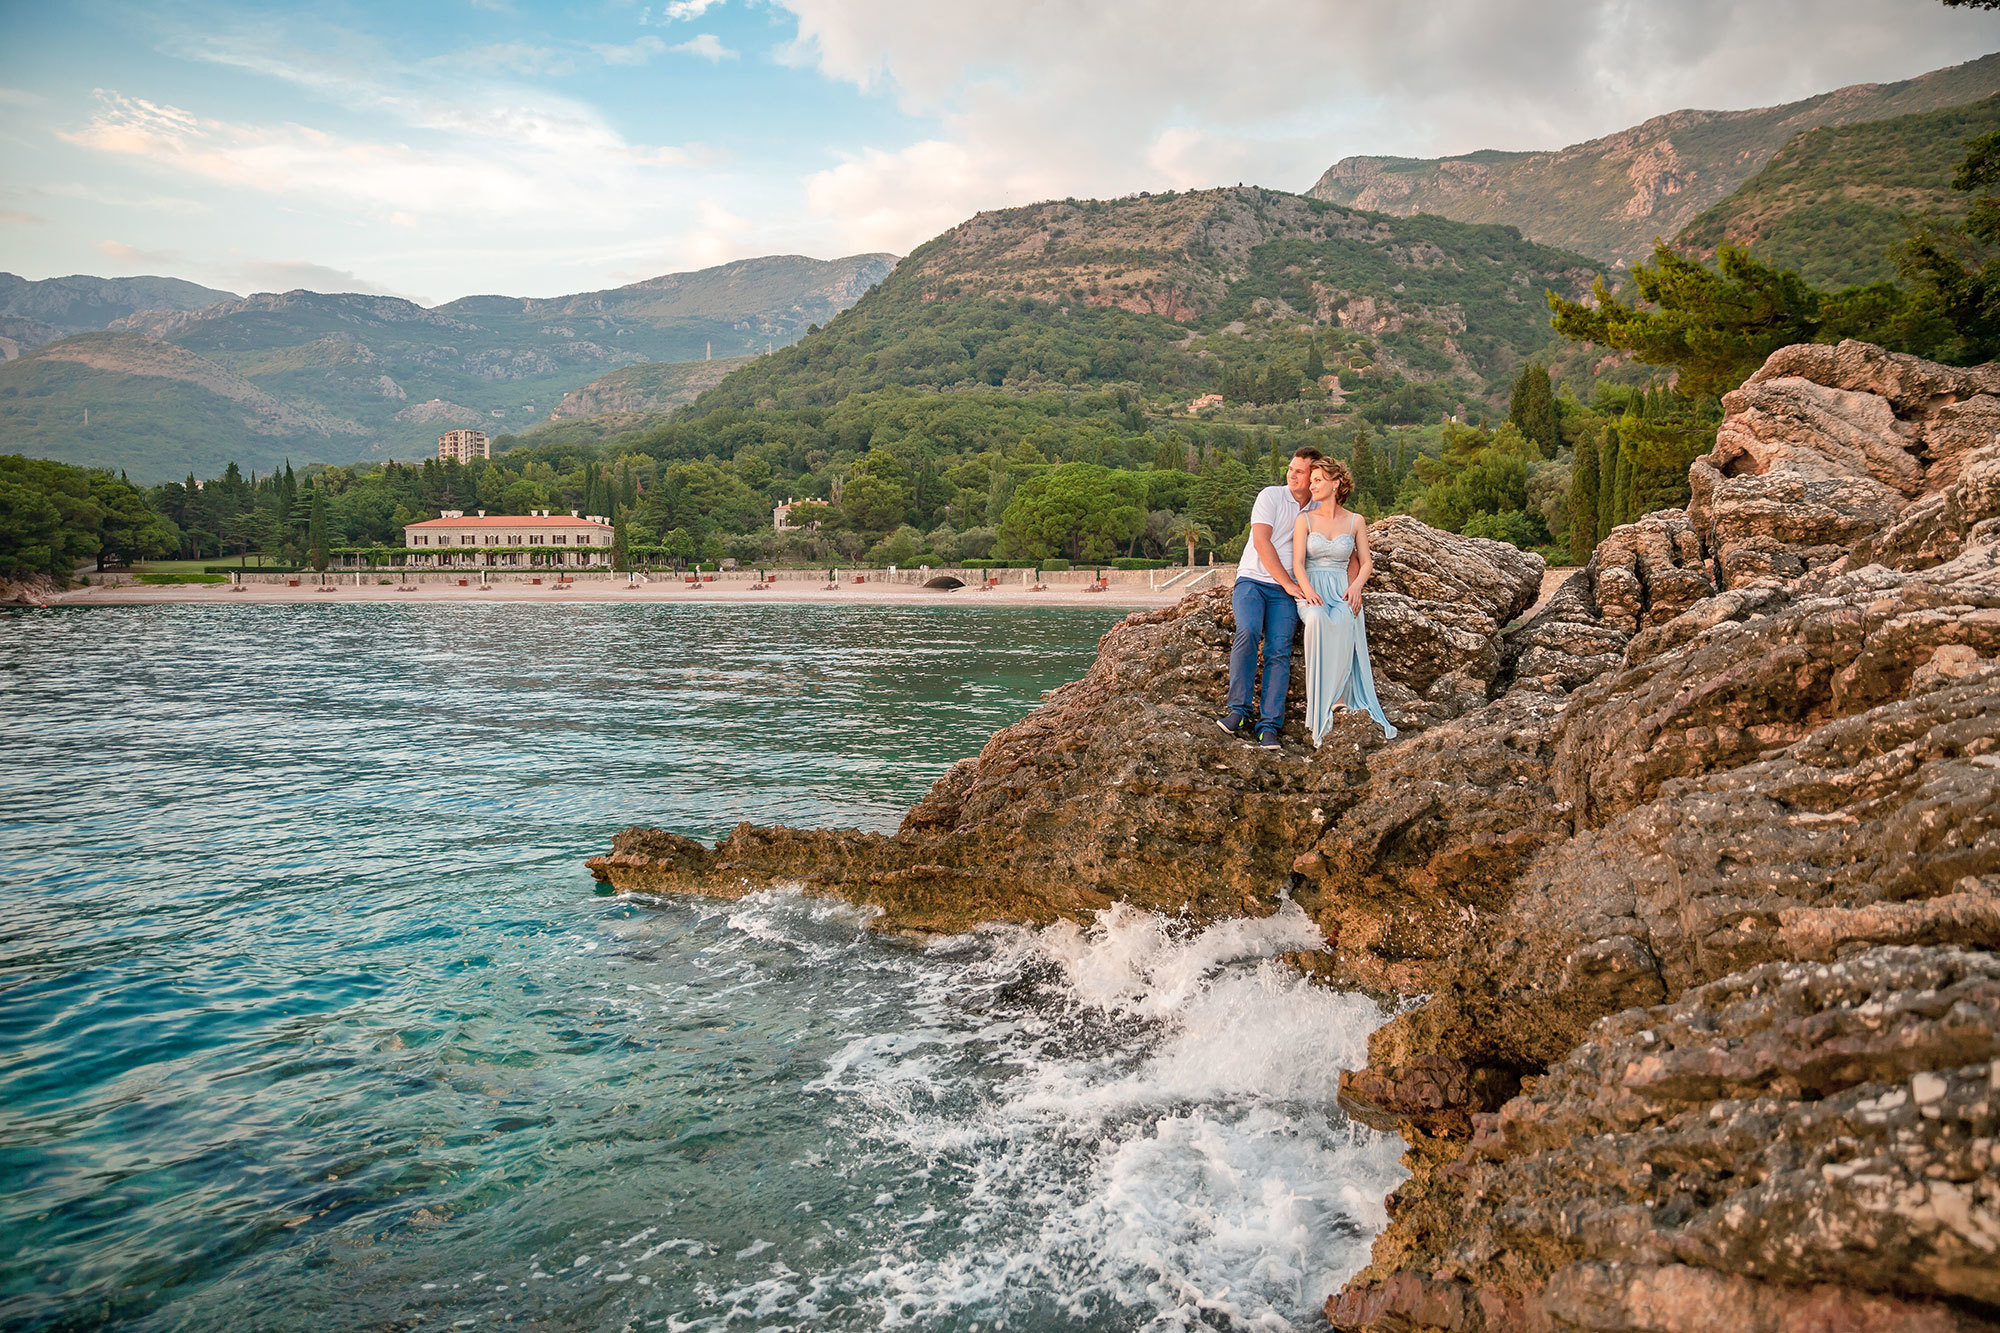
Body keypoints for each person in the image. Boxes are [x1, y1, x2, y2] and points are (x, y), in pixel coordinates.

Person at [1218, 446, 1323, 748]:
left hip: (1285, 592)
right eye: (1291, 468)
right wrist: (1289, 584)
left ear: (1313, 476)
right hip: (1252, 580)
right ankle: (1238, 711)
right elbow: (1262, 542)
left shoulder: (1317, 509)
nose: (1292, 474)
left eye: (1300, 471)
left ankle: (1269, 725)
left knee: (1279, 649)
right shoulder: (1271, 496)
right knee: (1248, 631)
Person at [1291, 457, 1398, 743]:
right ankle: (1318, 708)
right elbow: (1298, 563)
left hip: (1342, 588)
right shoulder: (1304, 520)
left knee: (1344, 620)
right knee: (1315, 620)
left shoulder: (1355, 521)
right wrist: (1307, 590)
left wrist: (1357, 587)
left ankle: (1338, 697)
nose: (1311, 485)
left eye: (1318, 480)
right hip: (1311, 587)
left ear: (1336, 483)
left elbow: (1366, 563)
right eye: (1311, 480)